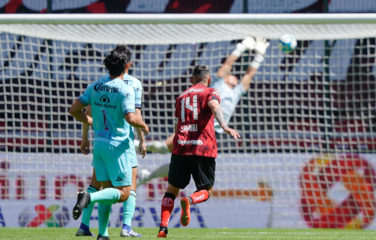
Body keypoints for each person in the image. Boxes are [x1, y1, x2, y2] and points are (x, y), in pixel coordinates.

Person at [137, 36, 270, 186]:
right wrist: (241, 48)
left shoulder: (238, 91)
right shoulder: (218, 82)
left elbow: (249, 74)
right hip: (193, 127)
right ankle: (135, 145)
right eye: (232, 75)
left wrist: (259, 55)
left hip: (209, 134)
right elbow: (228, 64)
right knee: (163, 148)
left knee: (181, 165)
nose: (235, 77)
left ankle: (147, 176)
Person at [69, 47, 149, 240]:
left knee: (104, 186)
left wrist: (90, 124)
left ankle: (102, 233)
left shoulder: (96, 85)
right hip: (119, 145)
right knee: (124, 193)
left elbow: (75, 110)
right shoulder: (127, 88)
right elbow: (132, 117)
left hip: (100, 144)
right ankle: (90, 198)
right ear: (127, 65)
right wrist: (143, 127)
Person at [157, 65, 240, 238]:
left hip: (181, 147)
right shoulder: (210, 91)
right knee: (206, 190)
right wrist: (224, 126)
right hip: (203, 147)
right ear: (208, 80)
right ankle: (190, 200)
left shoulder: (181, 97)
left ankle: (163, 228)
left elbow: (178, 124)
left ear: (191, 80)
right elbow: (215, 106)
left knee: (172, 189)